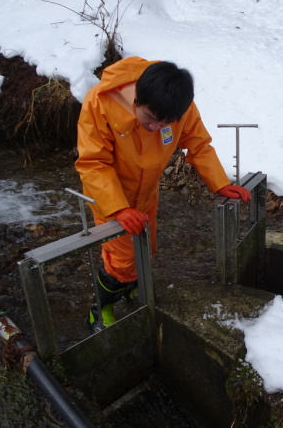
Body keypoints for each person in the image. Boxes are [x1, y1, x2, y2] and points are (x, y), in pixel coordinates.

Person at [75, 56, 250, 332]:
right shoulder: (100, 102)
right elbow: (94, 164)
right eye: (151, 120)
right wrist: (118, 208)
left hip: (146, 194)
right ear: (137, 101)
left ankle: (131, 286)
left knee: (146, 250)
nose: (156, 128)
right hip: (110, 198)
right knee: (121, 262)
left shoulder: (177, 103)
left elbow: (199, 145)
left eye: (165, 123)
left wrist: (218, 183)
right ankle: (100, 309)